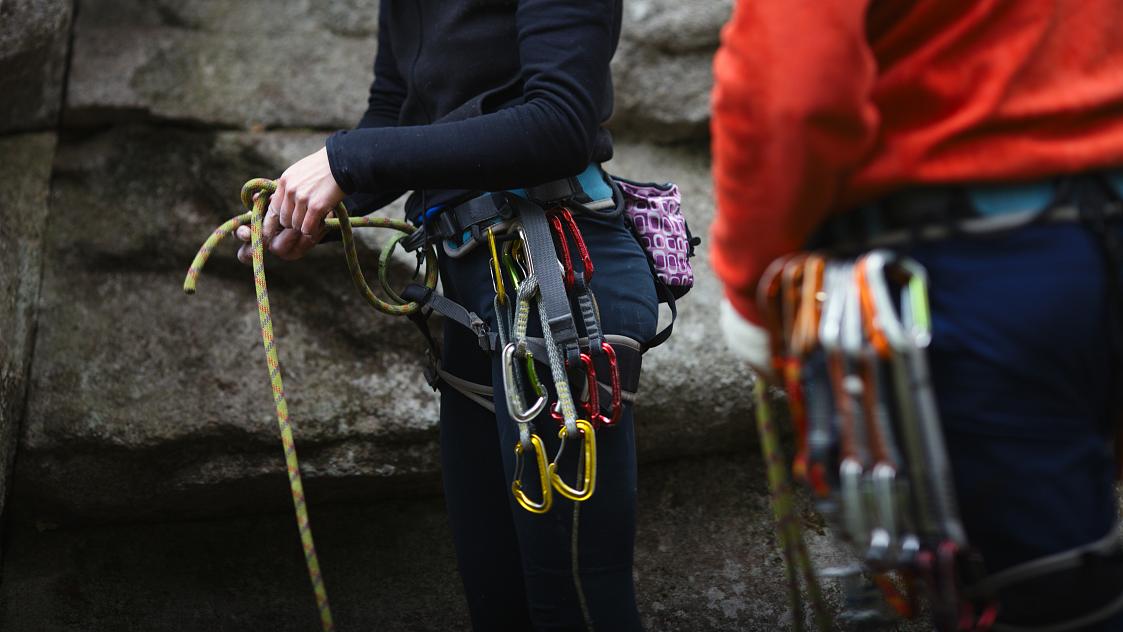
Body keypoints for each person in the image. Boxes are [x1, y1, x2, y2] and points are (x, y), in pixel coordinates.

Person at [232, 2, 657, 630]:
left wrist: (348, 163)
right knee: (496, 599)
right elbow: (396, 108)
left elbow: (559, 122)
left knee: (574, 604)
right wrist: (311, 209)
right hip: (471, 293)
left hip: (554, 279)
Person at [711, 1, 1123, 629]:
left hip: (979, 275)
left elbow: (792, 95)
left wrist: (751, 290)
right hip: (1084, 230)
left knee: (1042, 594)